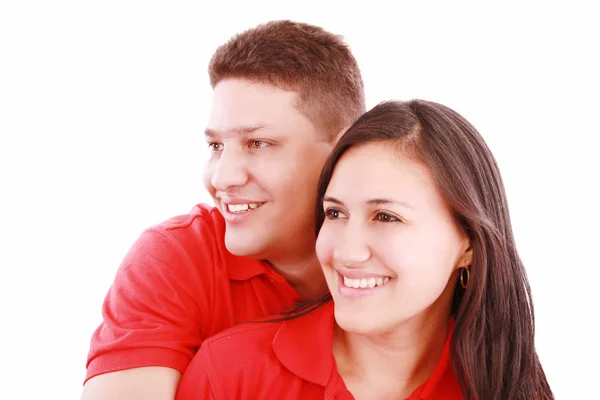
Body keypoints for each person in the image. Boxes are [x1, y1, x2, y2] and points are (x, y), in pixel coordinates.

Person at [175, 100, 555, 399]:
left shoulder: (510, 388)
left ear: (467, 245)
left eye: (386, 217)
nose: (347, 252)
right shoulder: (229, 373)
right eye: (335, 213)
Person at [80, 20, 365, 399]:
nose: (222, 177)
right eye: (216, 146)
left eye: (258, 143)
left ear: (345, 151)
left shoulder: (402, 258)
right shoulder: (176, 257)